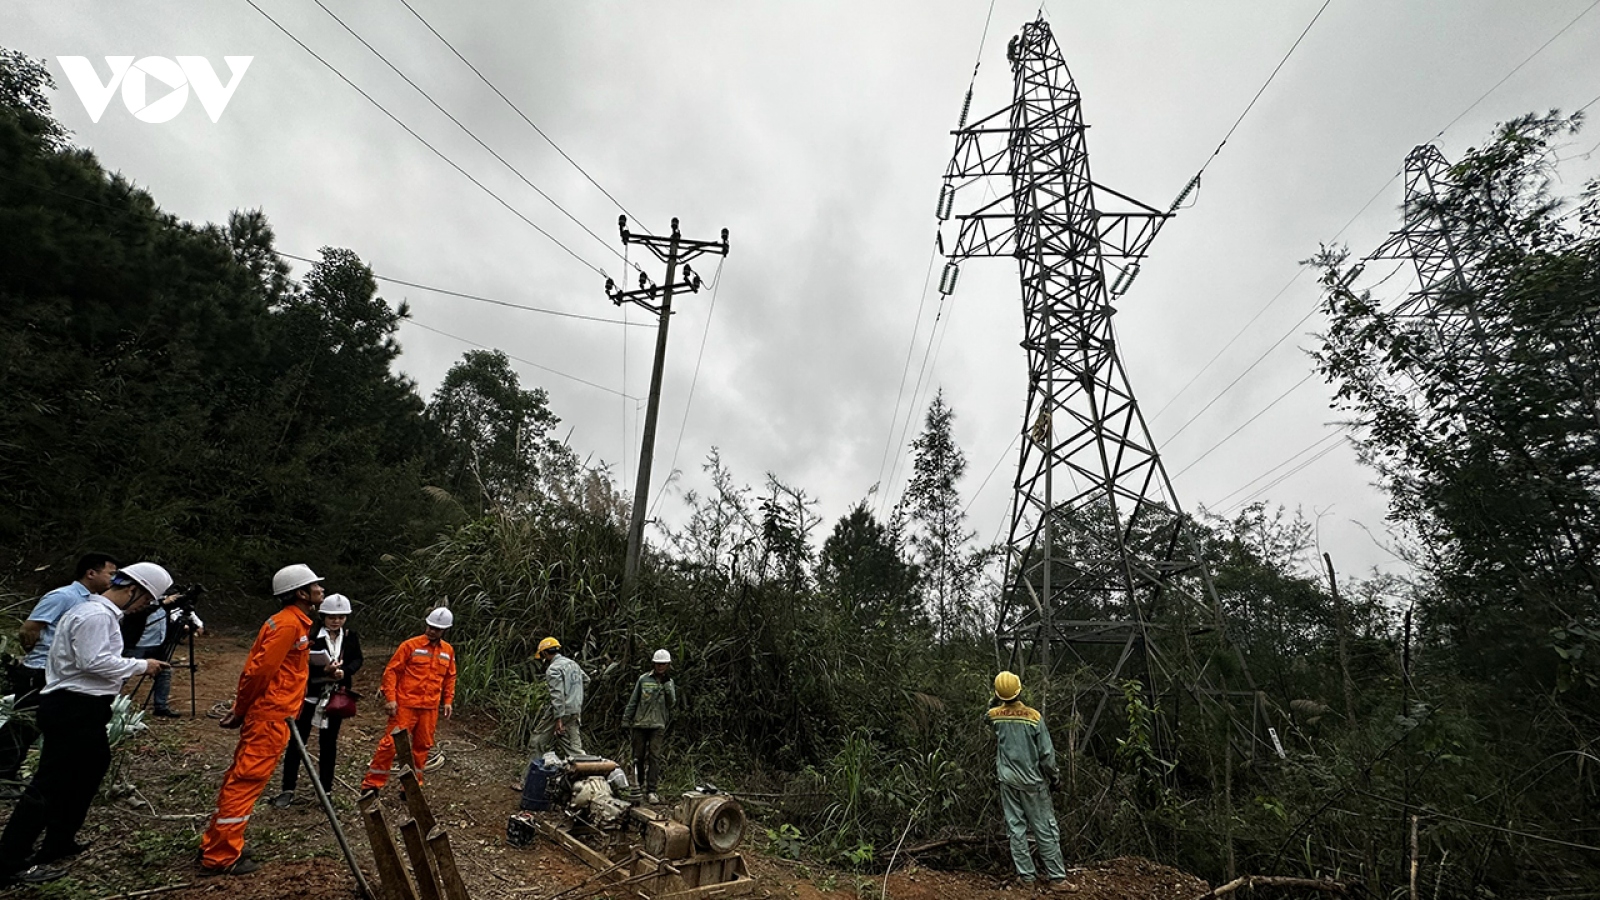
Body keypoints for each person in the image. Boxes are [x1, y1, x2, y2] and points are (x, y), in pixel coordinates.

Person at [0, 562, 170, 887]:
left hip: (83, 706)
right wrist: (140, 665)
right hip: (72, 706)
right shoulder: (96, 616)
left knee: (90, 768)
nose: (144, 607)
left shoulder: (100, 613)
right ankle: (9, 860)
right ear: (132, 589)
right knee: (51, 782)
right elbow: (92, 661)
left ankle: (59, 840)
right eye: (145, 599)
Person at [198, 564, 324, 877]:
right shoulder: (287, 626)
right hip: (271, 715)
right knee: (246, 780)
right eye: (315, 586)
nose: (321, 590)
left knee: (240, 777)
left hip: (276, 713)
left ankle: (218, 841)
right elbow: (259, 672)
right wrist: (241, 709)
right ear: (301, 593)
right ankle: (221, 855)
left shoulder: (293, 622)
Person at [0, 553, 118, 799]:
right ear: (91, 572)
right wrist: (36, 656)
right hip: (41, 670)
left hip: (61, 674)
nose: (114, 578)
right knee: (24, 723)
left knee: (46, 725)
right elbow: (30, 628)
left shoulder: (96, 602)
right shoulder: (63, 596)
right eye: (111, 573)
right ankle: (3, 774)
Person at [271, 592, 362, 806]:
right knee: (297, 742)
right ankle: (288, 788)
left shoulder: (350, 637)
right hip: (310, 695)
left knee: (328, 745)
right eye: (331, 617)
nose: (336, 621)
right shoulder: (310, 635)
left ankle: (325, 792)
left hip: (335, 698)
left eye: (340, 617)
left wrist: (344, 672)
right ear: (323, 616)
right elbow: (298, 663)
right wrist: (323, 669)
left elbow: (357, 659)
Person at [986, 671, 1069, 890]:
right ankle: (1058, 878)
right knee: (1044, 828)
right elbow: (1047, 756)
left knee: (1016, 829)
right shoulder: (1034, 717)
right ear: (1019, 690)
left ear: (998, 694)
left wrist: (996, 699)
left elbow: (989, 711)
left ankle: (1027, 878)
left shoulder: (994, 716)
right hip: (1033, 783)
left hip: (1008, 780)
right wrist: (1055, 778)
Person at [360, 607, 456, 793]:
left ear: (444, 630)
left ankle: (411, 787)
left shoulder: (448, 651)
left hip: (429, 707)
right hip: (406, 704)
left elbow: (450, 676)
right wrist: (390, 698)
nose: (431, 631)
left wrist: (448, 700)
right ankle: (372, 785)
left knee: (423, 746)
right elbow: (392, 672)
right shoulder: (410, 646)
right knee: (391, 744)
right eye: (430, 626)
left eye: (436, 628)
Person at [125, 592, 205, 718]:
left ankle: (161, 707)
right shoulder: (139, 601)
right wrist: (162, 604)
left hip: (158, 645)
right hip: (137, 645)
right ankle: (112, 704)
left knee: (164, 672)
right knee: (124, 674)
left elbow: (175, 615)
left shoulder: (164, 604)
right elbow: (136, 615)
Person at [622, 649, 678, 804]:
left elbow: (671, 703)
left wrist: (667, 687)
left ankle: (651, 790)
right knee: (637, 757)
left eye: (663, 664)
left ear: (667, 665)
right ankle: (638, 785)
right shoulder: (643, 680)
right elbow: (633, 701)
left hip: (658, 725)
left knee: (654, 757)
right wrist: (626, 720)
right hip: (640, 724)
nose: (660, 667)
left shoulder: (669, 682)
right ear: (654, 663)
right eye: (658, 664)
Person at [530, 636, 588, 759]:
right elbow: (586, 680)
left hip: (561, 711)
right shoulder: (573, 664)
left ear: (545, 653)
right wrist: (575, 695)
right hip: (575, 710)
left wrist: (558, 719)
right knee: (574, 748)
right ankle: (588, 772)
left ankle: (534, 772)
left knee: (537, 742)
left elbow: (557, 695)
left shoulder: (553, 669)